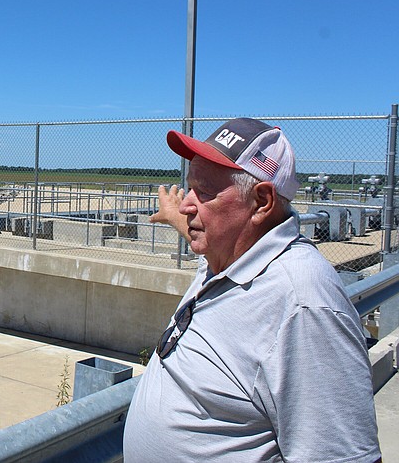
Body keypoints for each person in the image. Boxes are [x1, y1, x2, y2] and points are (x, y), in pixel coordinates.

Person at [123, 118, 381, 462]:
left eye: (205, 192)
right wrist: (175, 216)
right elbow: (209, 232)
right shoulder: (229, 255)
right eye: (189, 189)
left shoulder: (303, 305)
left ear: (261, 202)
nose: (188, 204)